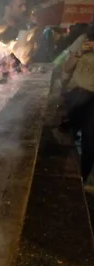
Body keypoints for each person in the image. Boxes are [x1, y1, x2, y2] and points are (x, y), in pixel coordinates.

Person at [55, 22, 94, 182]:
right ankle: (56, 174)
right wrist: (79, 52)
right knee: (62, 136)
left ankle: (81, 180)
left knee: (90, 142)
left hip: (92, 102)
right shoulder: (84, 39)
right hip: (76, 95)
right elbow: (66, 67)